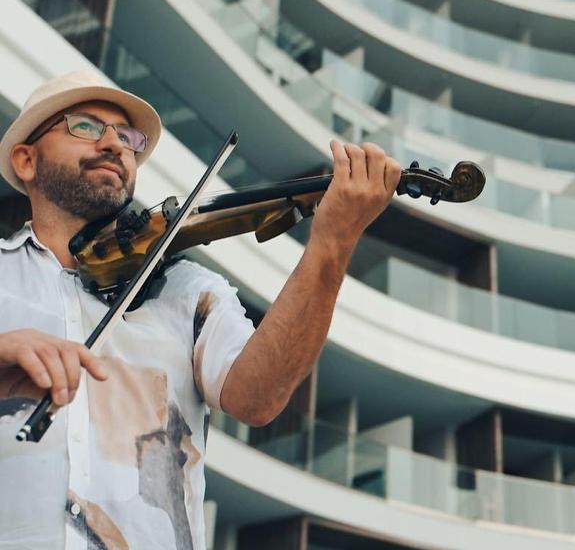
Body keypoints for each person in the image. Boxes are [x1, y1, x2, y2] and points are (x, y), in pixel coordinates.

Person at [0, 70, 402, 549]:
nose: (115, 145)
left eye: (127, 137)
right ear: (26, 160)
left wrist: (333, 241)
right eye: (85, 126)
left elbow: (257, 397)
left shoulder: (189, 291)